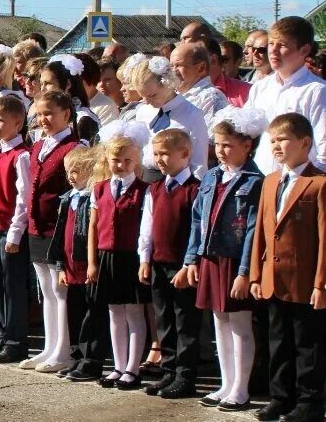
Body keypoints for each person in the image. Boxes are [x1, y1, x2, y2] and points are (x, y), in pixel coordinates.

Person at [185, 107, 264, 412]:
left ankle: (241, 389)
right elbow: (196, 220)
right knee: (219, 321)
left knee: (240, 324)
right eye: (217, 144)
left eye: (228, 145)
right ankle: (226, 383)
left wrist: (245, 272)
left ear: (247, 144)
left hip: (234, 260)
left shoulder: (254, 182)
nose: (221, 151)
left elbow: (254, 231)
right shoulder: (211, 176)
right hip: (211, 258)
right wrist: (192, 259)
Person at [248, 113, 326, 422]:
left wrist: (321, 284)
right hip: (273, 278)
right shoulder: (270, 182)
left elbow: (324, 239)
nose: (276, 146)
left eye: (283, 140)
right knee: (278, 342)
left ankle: (310, 402)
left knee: (308, 345)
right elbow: (262, 233)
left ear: (305, 143)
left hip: (306, 281)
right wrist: (256, 274)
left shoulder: (318, 183)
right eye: (272, 141)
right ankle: (281, 397)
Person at [136, 128, 202, 399]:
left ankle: (185, 376)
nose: (159, 159)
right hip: (159, 263)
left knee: (185, 321)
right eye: (156, 154)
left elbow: (198, 229)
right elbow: (147, 227)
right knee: (164, 320)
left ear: (185, 154)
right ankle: (169, 371)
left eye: (165, 153)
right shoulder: (155, 189)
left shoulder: (194, 189)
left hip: (182, 266)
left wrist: (190, 263)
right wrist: (144, 258)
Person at [86, 126, 152, 391]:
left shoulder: (144, 190)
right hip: (106, 256)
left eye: (127, 160)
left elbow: (146, 228)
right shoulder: (100, 189)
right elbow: (93, 226)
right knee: (114, 312)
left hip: (131, 257)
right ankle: (118, 365)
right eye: (116, 160)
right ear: (108, 161)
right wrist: (92, 261)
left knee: (134, 313)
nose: (121, 165)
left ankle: (133, 369)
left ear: (136, 161)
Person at [24, 91, 82, 371]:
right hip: (37, 225)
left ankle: (64, 349)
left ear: (66, 115)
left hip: (59, 229)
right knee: (45, 290)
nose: (43, 119)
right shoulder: (38, 145)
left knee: (60, 292)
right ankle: (49, 347)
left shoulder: (74, 147)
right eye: (39, 114)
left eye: (49, 113)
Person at [0, 96, 33, 364]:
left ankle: (16, 341)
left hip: (12, 233)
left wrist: (15, 233)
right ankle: (2, 335)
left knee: (13, 289)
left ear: (18, 122)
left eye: (1, 120)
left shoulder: (21, 155)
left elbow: (23, 198)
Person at [50, 146, 105, 381]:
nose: (70, 177)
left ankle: (91, 360)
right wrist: (61, 266)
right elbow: (62, 235)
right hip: (71, 267)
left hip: (87, 266)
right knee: (74, 312)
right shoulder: (69, 198)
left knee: (91, 314)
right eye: (68, 172)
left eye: (75, 171)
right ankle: (76, 356)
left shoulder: (92, 198)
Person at [245, 16, 326, 174]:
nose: (273, 51)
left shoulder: (316, 90)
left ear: (304, 50)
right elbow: (246, 130)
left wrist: (314, 183)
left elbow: (324, 146)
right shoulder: (260, 88)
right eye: (270, 43)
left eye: (282, 45)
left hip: (300, 181)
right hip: (263, 179)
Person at [132, 56, 210, 180]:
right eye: (143, 96)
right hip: (146, 179)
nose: (147, 102)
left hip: (178, 181)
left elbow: (199, 163)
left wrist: (195, 193)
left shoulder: (192, 114)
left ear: (167, 83)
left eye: (152, 95)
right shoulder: (143, 111)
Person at [171, 42, 228, 121]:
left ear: (201, 68)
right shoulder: (173, 94)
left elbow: (214, 132)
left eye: (179, 65)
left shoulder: (211, 98)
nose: (173, 71)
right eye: (171, 66)